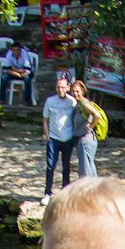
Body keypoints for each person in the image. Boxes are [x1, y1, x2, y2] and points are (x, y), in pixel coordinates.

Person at [42, 75, 78, 203]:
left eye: (63, 87)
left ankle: (65, 192)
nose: (60, 90)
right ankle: (47, 193)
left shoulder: (72, 102)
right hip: (53, 138)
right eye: (58, 87)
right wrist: (47, 136)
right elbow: (45, 119)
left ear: (68, 88)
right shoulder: (50, 101)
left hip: (67, 139)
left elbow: (77, 118)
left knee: (66, 166)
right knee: (50, 165)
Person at [70, 80, 107, 180]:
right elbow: (90, 116)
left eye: (77, 91)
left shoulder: (84, 104)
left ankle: (88, 193)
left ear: (82, 91)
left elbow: (97, 115)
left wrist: (91, 127)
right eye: (73, 91)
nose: (75, 93)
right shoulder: (79, 104)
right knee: (90, 169)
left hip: (86, 140)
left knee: (85, 171)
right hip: (85, 140)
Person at [0, 41, 38, 106]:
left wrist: (15, 70)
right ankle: (2, 99)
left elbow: (27, 70)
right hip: (14, 73)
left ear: (20, 50)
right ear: (11, 50)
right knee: (3, 77)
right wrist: (15, 73)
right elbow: (7, 69)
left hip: (26, 73)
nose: (16, 52)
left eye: (17, 50)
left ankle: (27, 101)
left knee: (27, 79)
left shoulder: (24, 55)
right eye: (14, 50)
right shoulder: (9, 55)